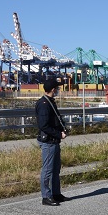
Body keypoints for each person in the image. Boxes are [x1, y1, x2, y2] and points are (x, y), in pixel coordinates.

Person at [36, 78, 71, 206]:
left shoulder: (50, 102)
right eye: (57, 88)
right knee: (47, 170)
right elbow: (43, 125)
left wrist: (62, 129)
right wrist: (58, 134)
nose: (58, 90)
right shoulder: (44, 104)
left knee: (56, 169)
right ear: (52, 89)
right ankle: (46, 196)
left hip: (54, 140)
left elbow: (54, 121)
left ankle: (56, 194)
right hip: (49, 141)